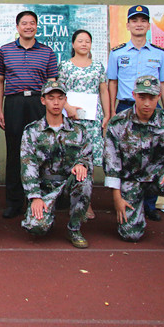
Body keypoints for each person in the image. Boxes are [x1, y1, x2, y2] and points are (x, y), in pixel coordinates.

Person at [104, 75, 164, 255]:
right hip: (131, 180)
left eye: (151, 98)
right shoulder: (119, 123)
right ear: (134, 95)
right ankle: (137, 213)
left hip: (158, 176)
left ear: (158, 97)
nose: (147, 103)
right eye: (142, 97)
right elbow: (112, 162)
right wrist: (116, 198)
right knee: (131, 235)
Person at [106, 5, 164, 222]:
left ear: (148, 25)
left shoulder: (158, 53)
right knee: (126, 156)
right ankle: (124, 199)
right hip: (126, 107)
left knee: (153, 156)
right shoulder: (117, 53)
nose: (139, 24)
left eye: (143, 20)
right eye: (135, 20)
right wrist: (113, 110)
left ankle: (150, 204)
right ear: (128, 25)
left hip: (153, 109)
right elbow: (112, 82)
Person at [0, 10, 58, 219]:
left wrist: (50, 109)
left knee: (41, 152)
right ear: (17, 26)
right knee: (15, 152)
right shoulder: (5, 51)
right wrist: (0, 109)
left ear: (36, 26)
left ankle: (39, 200)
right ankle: (14, 201)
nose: (28, 27)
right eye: (24, 23)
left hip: (39, 103)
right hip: (14, 102)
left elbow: (52, 84)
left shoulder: (47, 52)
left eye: (32, 23)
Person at [20, 80, 92, 248]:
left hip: (68, 184)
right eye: (51, 98)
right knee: (36, 228)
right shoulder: (32, 131)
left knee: (84, 179)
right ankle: (45, 215)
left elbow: (87, 155)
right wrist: (35, 197)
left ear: (65, 100)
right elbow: (27, 165)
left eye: (60, 98)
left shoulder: (78, 131)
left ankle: (74, 229)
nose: (56, 102)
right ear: (43, 100)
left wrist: (82, 163)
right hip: (44, 187)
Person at [58, 29, 110, 219]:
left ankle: (86, 203)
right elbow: (59, 90)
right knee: (70, 156)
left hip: (93, 119)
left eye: (87, 41)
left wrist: (107, 114)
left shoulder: (97, 67)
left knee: (89, 160)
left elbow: (103, 91)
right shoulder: (64, 66)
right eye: (80, 41)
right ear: (73, 44)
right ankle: (68, 200)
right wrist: (68, 107)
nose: (84, 44)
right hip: (71, 117)